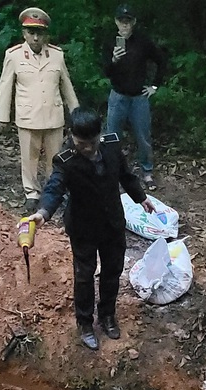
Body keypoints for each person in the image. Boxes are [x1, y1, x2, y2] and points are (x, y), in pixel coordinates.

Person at [25, 107, 156, 351]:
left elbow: (125, 176)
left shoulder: (112, 147)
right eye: (81, 143)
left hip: (112, 223)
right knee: (84, 276)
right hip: (83, 227)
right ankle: (85, 324)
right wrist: (43, 213)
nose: (87, 148)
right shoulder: (66, 160)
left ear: (99, 135)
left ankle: (107, 316)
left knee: (112, 271)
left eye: (92, 142)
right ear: (72, 136)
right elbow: (55, 188)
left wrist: (141, 197)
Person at [0, 7, 79, 212]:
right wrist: (3, 116)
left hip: (53, 114)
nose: (35, 37)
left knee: (56, 157)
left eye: (39, 33)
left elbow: (66, 84)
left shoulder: (56, 55)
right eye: (31, 32)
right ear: (24, 33)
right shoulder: (14, 55)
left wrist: (76, 112)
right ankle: (31, 194)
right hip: (28, 115)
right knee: (29, 158)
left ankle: (54, 192)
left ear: (45, 35)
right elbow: (5, 86)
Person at [103, 3, 166, 191]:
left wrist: (155, 86)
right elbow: (105, 70)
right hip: (118, 96)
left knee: (143, 137)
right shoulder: (109, 42)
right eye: (121, 21)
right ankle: (111, 173)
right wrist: (113, 59)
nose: (125, 26)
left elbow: (161, 61)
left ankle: (147, 173)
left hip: (139, 97)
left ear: (134, 22)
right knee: (111, 137)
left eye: (128, 21)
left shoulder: (143, 41)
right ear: (116, 22)